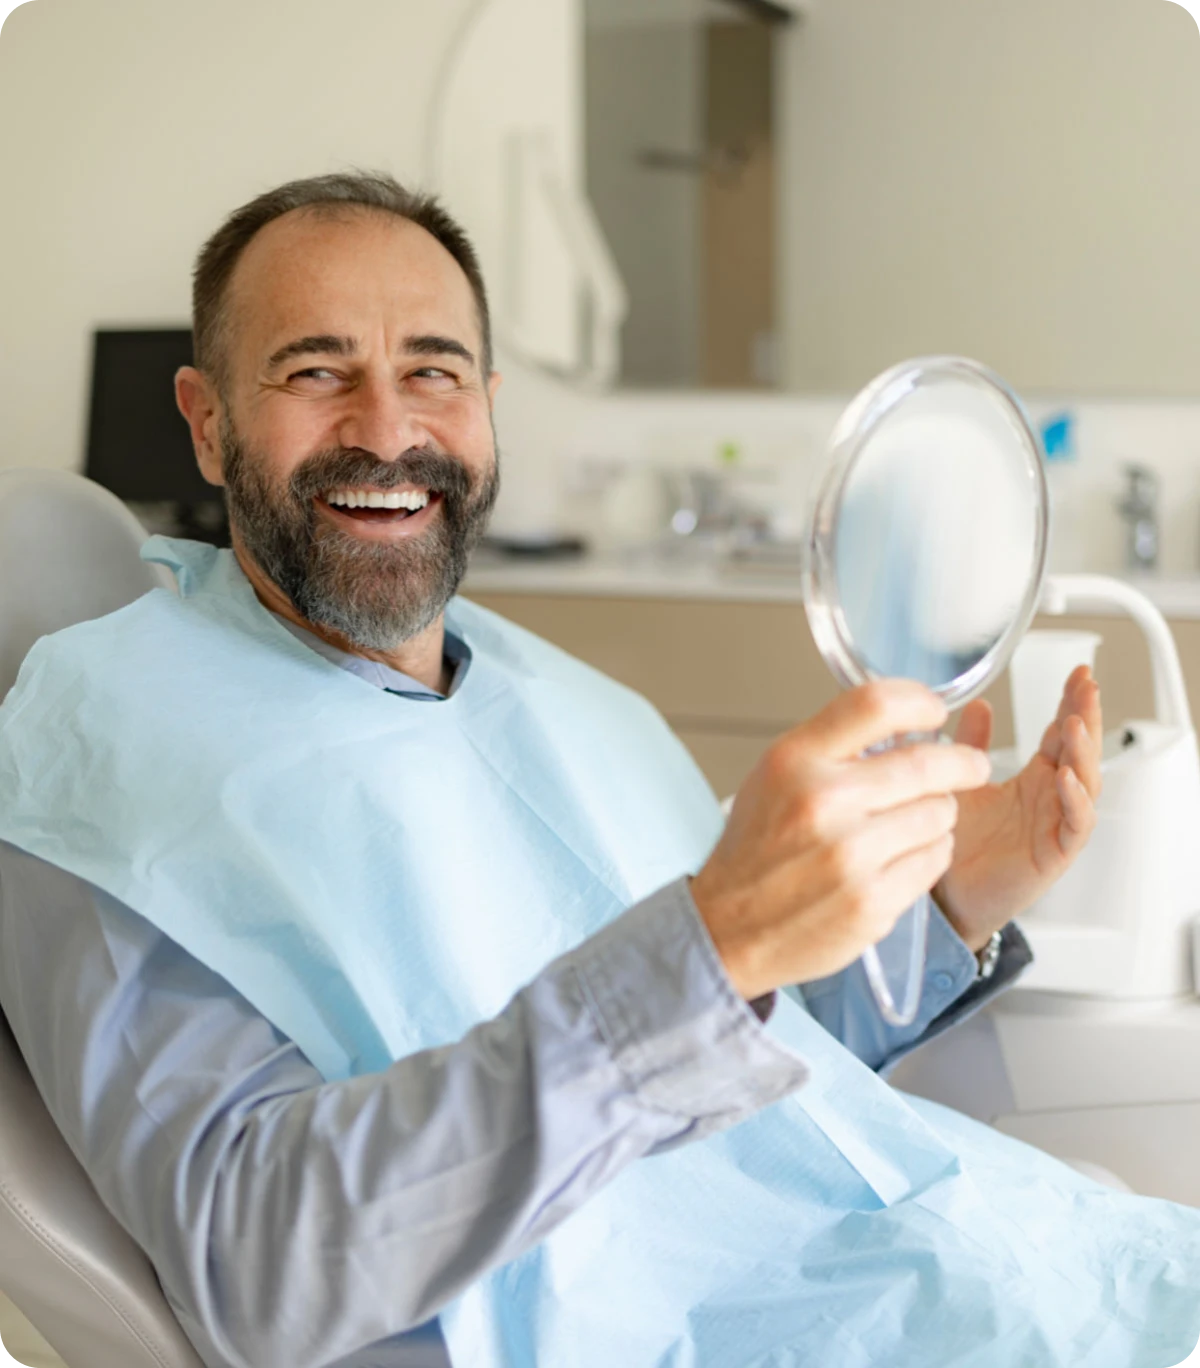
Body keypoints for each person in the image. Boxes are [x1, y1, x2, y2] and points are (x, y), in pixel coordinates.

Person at [0, 172, 1195, 1368]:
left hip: (950, 1263)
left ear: (486, 405)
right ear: (206, 422)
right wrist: (713, 944)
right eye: (316, 372)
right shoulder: (105, 762)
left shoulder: (555, 695)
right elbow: (259, 1260)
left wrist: (937, 906)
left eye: (433, 371)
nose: (386, 426)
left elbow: (723, 1068)